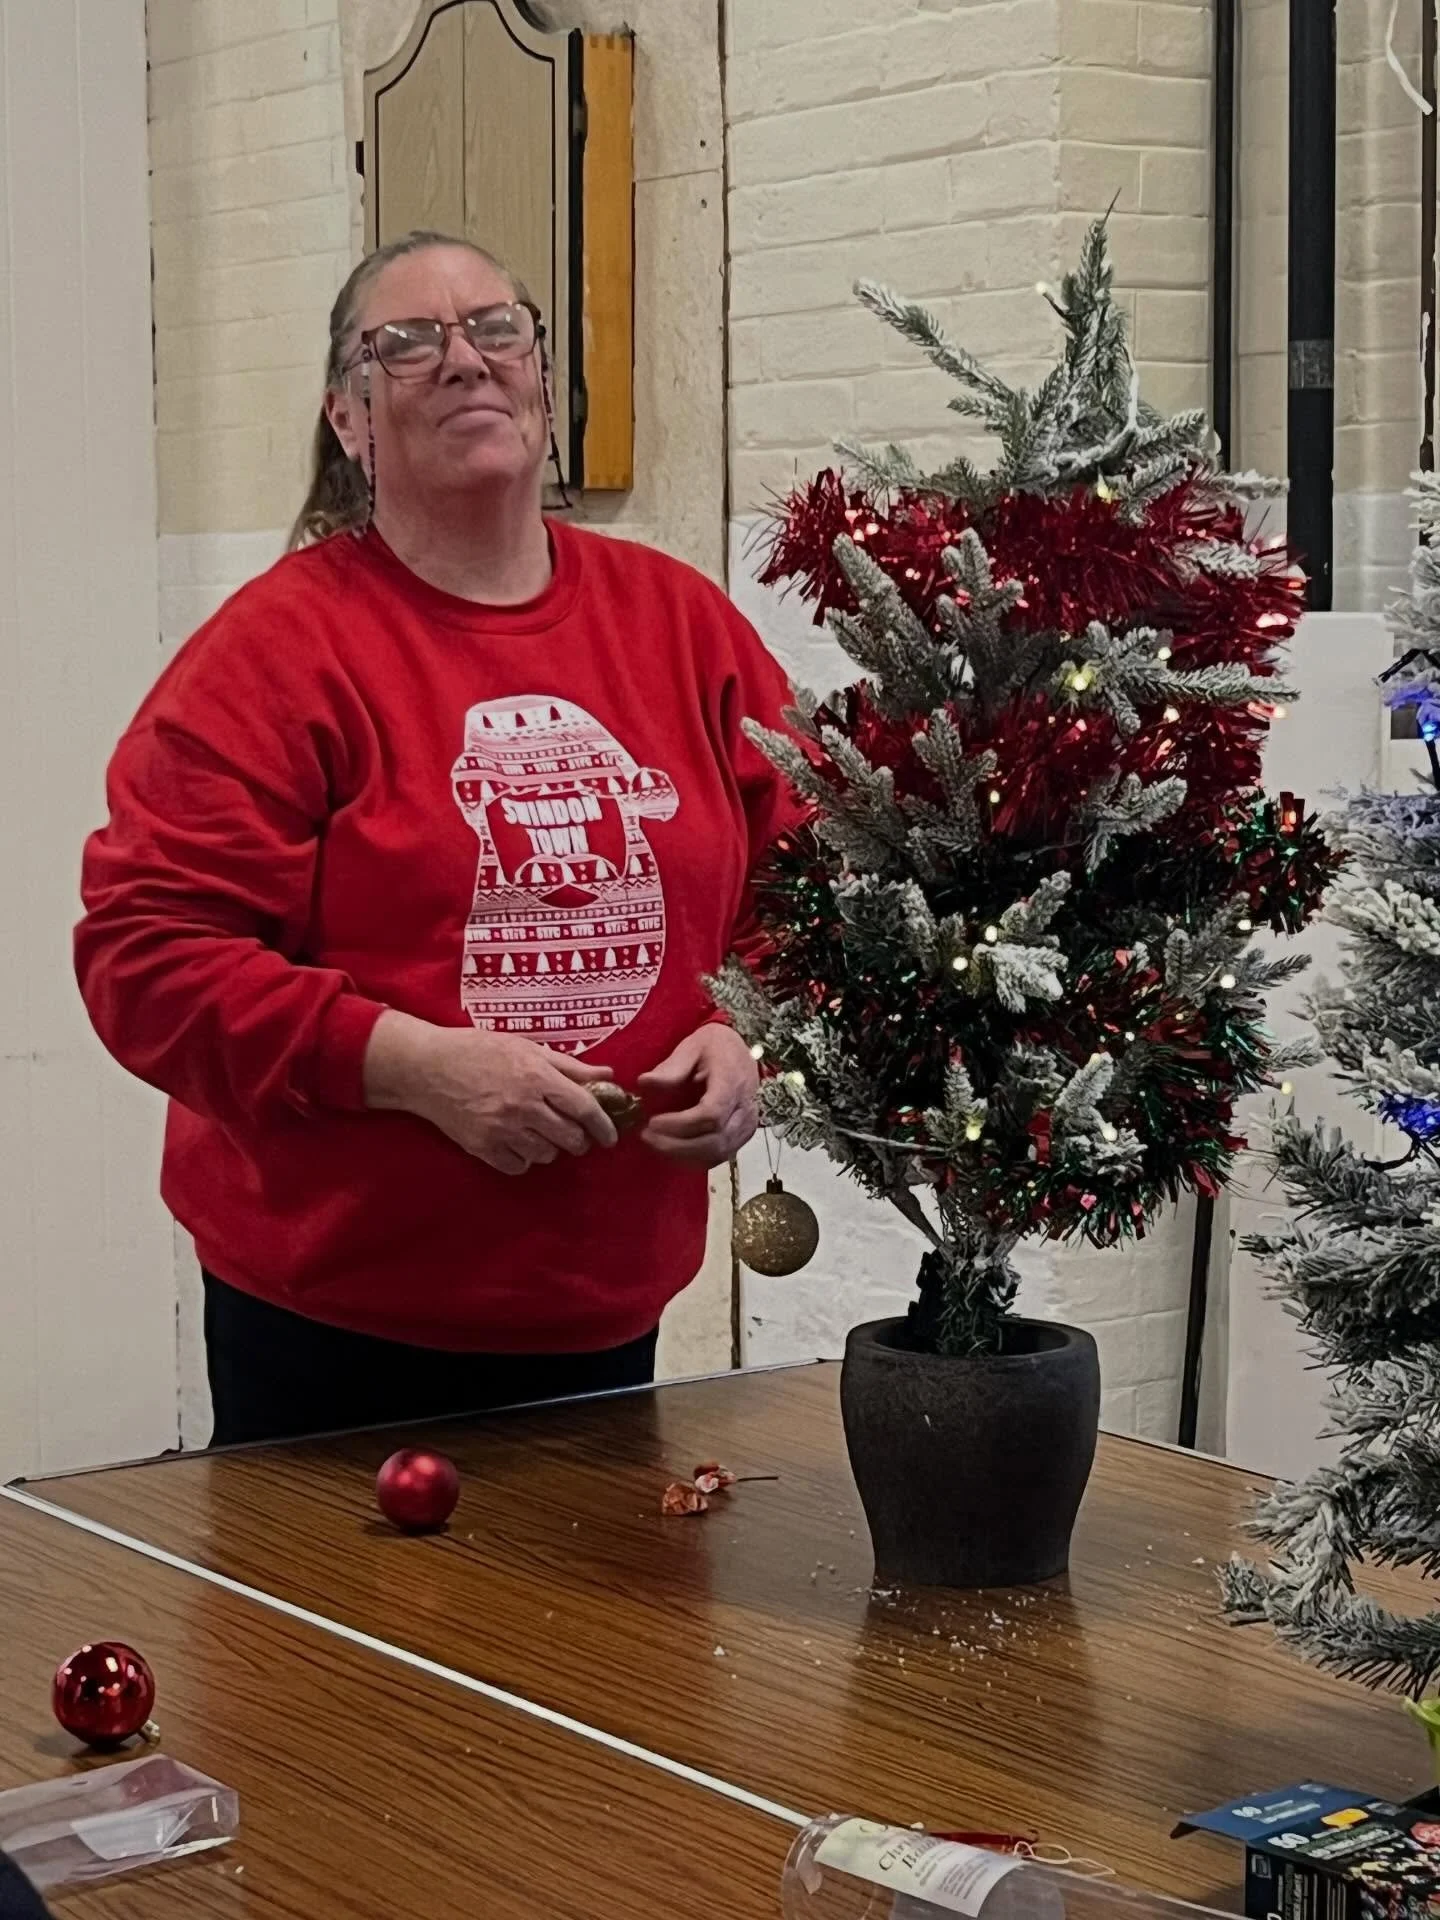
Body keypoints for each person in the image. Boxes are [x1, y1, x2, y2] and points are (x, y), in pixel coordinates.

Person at [76, 229, 801, 1446]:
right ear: (349, 418)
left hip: (607, 1307)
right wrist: (414, 1067)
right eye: (407, 344)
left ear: (541, 382)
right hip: (332, 1335)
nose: (464, 359)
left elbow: (812, 886)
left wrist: (749, 1033)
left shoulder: (684, 627)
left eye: (497, 328)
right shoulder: (273, 658)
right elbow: (145, 958)